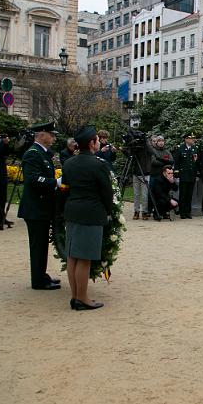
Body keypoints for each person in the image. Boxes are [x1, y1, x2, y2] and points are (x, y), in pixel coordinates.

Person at [61, 125, 113, 311]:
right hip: (91, 213)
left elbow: (65, 189)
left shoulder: (69, 163)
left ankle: (75, 296)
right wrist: (110, 211)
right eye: (97, 140)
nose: (99, 142)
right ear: (92, 143)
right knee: (84, 258)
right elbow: (106, 193)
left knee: (72, 256)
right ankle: (82, 298)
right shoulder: (98, 165)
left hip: (72, 211)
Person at [17, 121, 62, 290]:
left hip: (41, 207)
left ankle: (41, 274)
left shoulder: (42, 153)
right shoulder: (33, 154)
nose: (53, 137)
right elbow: (33, 179)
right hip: (35, 208)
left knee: (42, 244)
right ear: (41, 134)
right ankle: (37, 280)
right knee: (38, 246)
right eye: (51, 134)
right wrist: (55, 182)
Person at [173, 134, 198, 219]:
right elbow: (176, 162)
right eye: (191, 139)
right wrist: (176, 173)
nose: (193, 140)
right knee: (183, 194)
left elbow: (196, 162)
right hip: (183, 175)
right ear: (186, 139)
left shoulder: (195, 148)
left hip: (192, 175)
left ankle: (188, 212)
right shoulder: (180, 148)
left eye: (193, 139)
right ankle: (182, 212)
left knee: (189, 194)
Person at [130, 135, 155, 220]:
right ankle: (136, 211)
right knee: (136, 194)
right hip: (136, 172)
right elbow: (130, 155)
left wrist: (145, 141)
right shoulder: (136, 146)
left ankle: (144, 211)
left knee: (144, 195)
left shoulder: (147, 146)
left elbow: (152, 152)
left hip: (145, 172)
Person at [148, 135, 172, 220]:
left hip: (165, 177)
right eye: (159, 141)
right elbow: (154, 162)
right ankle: (153, 211)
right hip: (155, 175)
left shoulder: (167, 151)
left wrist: (161, 160)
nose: (161, 142)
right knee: (154, 194)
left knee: (165, 194)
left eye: (163, 141)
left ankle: (164, 211)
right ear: (156, 142)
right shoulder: (153, 151)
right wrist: (165, 163)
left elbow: (171, 161)